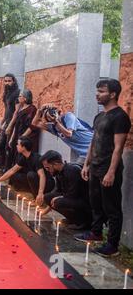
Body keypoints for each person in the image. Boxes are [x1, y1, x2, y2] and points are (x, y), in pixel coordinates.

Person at [74, 79, 131, 257]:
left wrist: (112, 172)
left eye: (101, 91)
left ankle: (112, 245)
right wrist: (86, 164)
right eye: (97, 91)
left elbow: (118, 147)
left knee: (111, 208)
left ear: (113, 94)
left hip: (108, 168)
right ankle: (96, 233)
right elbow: (93, 141)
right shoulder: (99, 116)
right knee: (95, 203)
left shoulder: (120, 116)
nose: (97, 94)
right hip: (95, 167)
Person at [40, 150, 92, 230]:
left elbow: (73, 194)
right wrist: (47, 209)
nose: (47, 170)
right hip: (73, 198)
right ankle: (73, 219)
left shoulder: (72, 170)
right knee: (47, 197)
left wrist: (59, 198)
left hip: (84, 202)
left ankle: (82, 222)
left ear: (55, 164)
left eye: (48, 167)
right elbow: (58, 190)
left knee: (58, 202)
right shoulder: (59, 173)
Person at [0, 137, 54, 206]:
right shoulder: (23, 157)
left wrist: (40, 193)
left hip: (47, 183)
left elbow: (42, 176)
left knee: (30, 175)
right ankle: (34, 194)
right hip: (36, 180)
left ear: (24, 147)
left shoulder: (36, 158)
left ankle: (38, 199)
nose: (16, 146)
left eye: (18, 144)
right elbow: (12, 170)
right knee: (15, 176)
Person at [26, 105, 93, 165]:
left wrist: (55, 122)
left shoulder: (68, 116)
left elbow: (69, 134)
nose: (51, 117)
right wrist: (40, 111)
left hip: (94, 146)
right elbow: (34, 123)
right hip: (84, 154)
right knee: (76, 173)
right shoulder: (54, 127)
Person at [5, 89, 38, 169]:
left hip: (25, 138)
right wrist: (12, 138)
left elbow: (32, 126)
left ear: (25, 98)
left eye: (20, 96)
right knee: (12, 154)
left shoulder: (32, 109)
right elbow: (16, 125)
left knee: (22, 158)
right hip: (18, 136)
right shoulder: (20, 109)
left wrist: (22, 138)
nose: (18, 98)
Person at [0, 74, 20, 169]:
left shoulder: (17, 93)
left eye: (9, 81)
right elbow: (6, 109)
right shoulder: (6, 93)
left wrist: (10, 125)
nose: (7, 83)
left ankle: (7, 168)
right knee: (0, 145)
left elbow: (17, 111)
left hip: (13, 123)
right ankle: (2, 165)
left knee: (9, 146)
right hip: (7, 121)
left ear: (14, 81)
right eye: (5, 81)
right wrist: (2, 122)